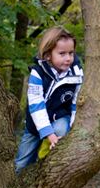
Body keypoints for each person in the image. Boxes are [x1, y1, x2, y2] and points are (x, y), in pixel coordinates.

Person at [15, 27, 83, 173]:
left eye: (71, 53)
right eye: (62, 54)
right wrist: (48, 133)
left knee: (60, 129)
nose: (68, 58)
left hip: (60, 119)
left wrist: (72, 126)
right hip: (35, 124)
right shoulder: (38, 73)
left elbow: (76, 101)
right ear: (47, 55)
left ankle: (48, 158)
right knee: (21, 163)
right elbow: (36, 105)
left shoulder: (76, 73)